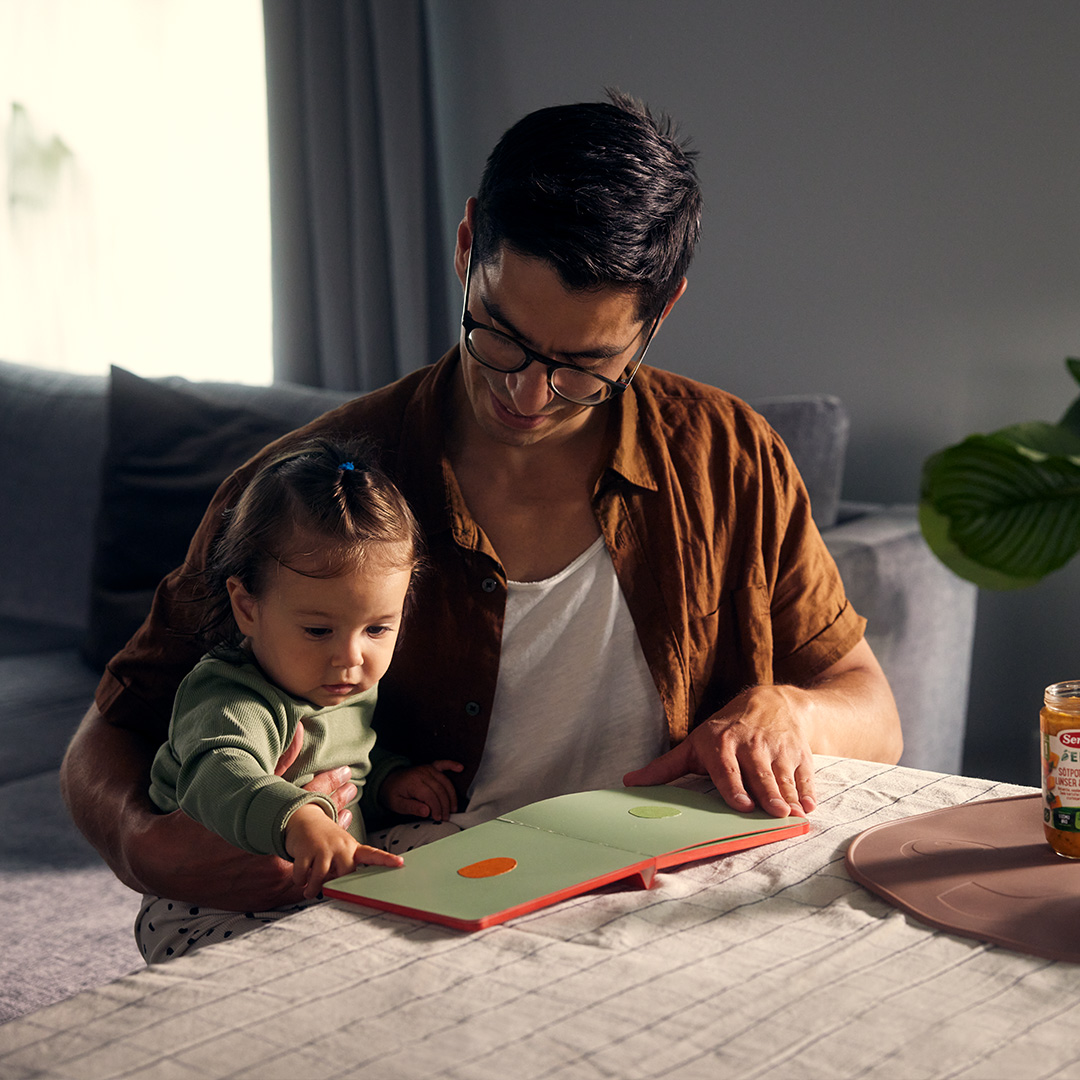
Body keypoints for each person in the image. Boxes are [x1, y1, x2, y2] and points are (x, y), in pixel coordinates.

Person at [61, 90, 902, 917]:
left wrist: (787, 710)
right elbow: (111, 732)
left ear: (660, 312)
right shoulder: (309, 491)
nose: (529, 396)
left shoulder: (729, 456)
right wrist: (143, 845)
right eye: (499, 333)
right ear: (468, 245)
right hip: (404, 899)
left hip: (656, 900)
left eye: (583, 364)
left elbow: (870, 707)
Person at [134, 437, 461, 960]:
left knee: (453, 866)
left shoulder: (345, 687)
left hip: (317, 882)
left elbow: (341, 769)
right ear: (247, 607)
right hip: (206, 904)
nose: (349, 658)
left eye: (377, 629)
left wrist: (388, 782)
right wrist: (299, 820)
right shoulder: (229, 694)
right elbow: (218, 772)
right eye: (316, 630)